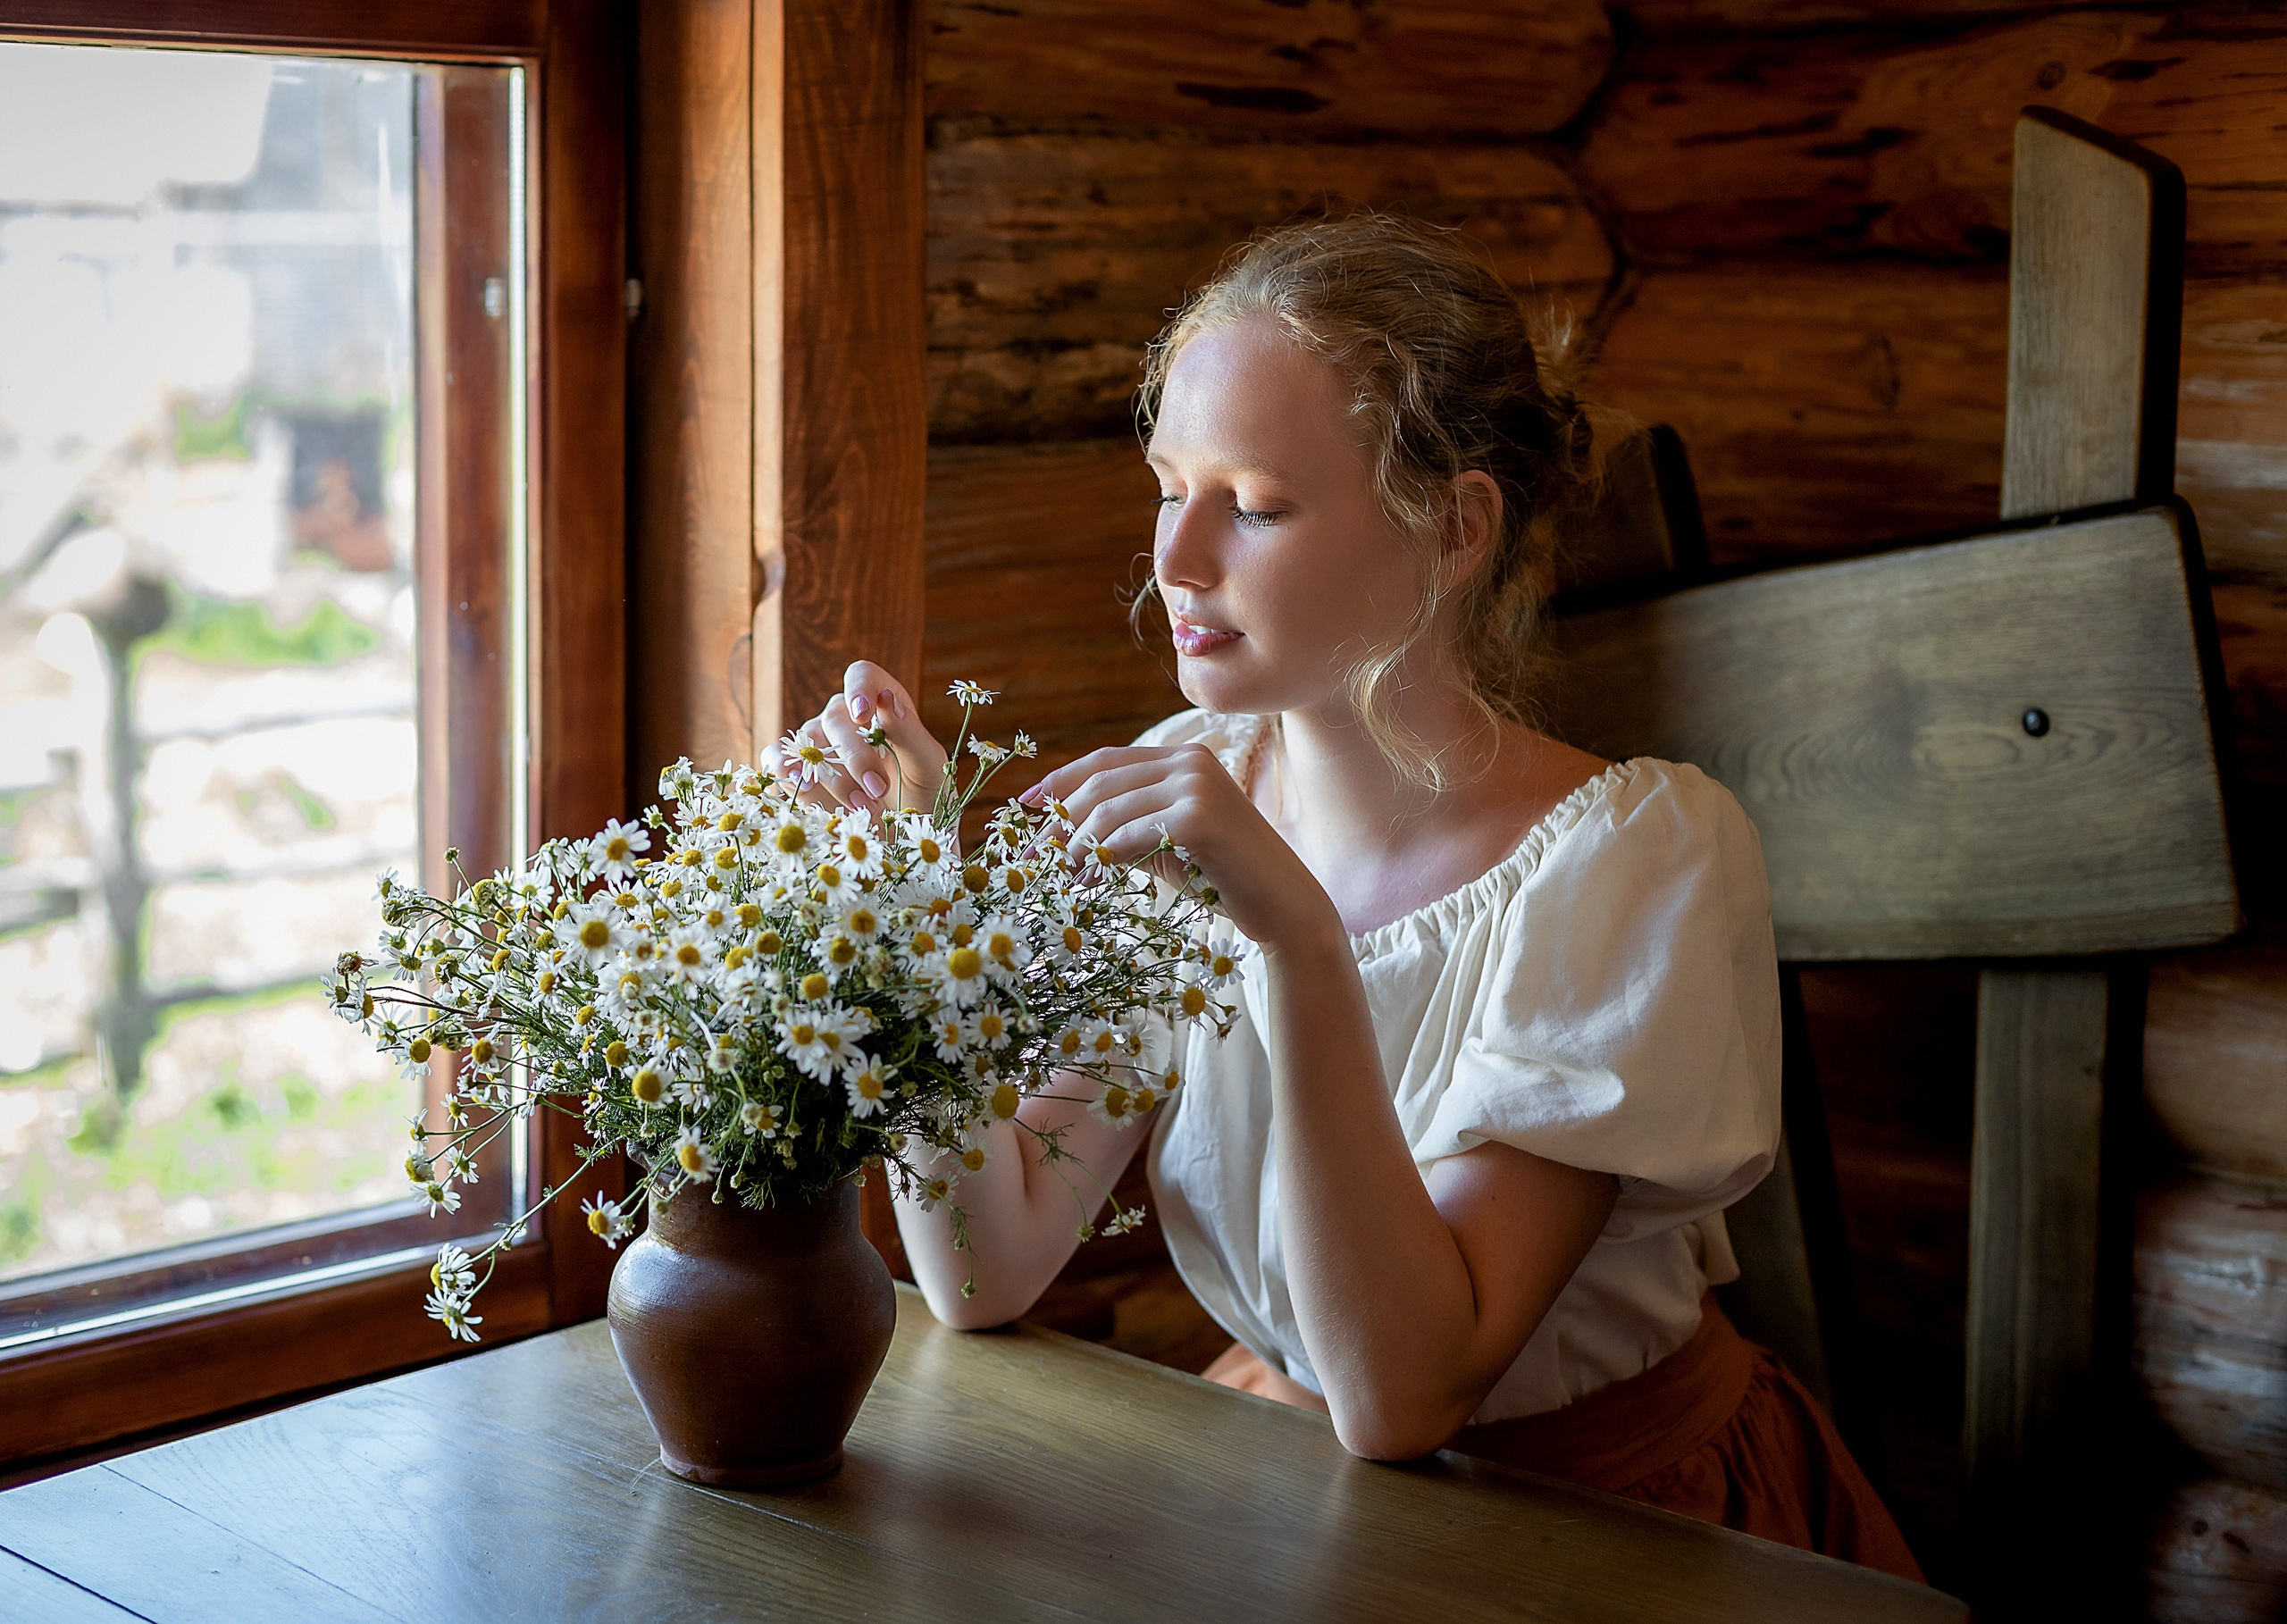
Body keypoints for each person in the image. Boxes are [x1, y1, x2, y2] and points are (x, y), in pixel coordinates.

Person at [767, 212, 1921, 1581]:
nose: (1178, 558)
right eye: (1167, 485)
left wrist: (1294, 934)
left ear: (1452, 530)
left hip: (1601, 1528)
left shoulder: (1633, 856)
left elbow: (1406, 1394)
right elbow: (984, 1266)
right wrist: (909, 912)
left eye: (1252, 503)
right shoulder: (1181, 783)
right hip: (1294, 1496)